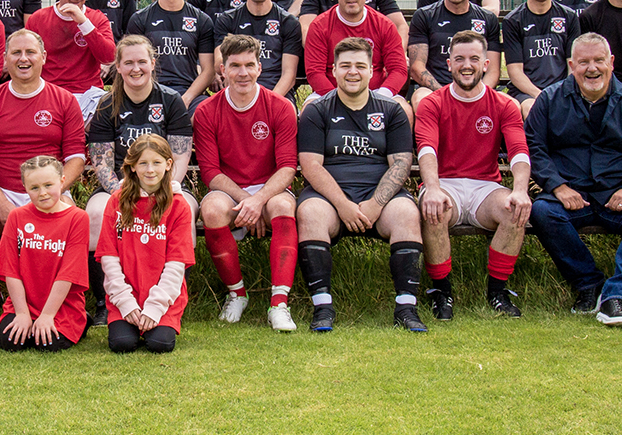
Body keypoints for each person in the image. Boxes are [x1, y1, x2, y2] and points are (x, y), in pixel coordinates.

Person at [525, 33, 622, 328]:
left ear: (611, 62)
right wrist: (558, 187)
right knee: (543, 211)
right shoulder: (549, 100)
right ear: (571, 64)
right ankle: (589, 285)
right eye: (583, 62)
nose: (592, 68)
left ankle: (618, 297)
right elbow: (535, 148)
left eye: (599, 60)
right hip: (571, 194)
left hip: (618, 196)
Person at [295, 38, 423, 333]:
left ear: (371, 71)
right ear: (334, 70)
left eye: (360, 66)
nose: (353, 72)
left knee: (406, 214)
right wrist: (343, 205)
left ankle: (406, 307)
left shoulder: (391, 110)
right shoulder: (317, 110)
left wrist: (377, 203)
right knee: (311, 213)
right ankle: (322, 307)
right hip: (331, 197)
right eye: (346, 66)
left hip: (378, 194)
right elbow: (311, 165)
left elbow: (401, 163)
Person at [0, 30, 87, 323]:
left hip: (50, 191)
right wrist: (3, 204)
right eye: (16, 53)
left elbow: (76, 159)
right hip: (0, 191)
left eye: (30, 52)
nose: (23, 59)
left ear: (43, 57)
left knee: (77, 222)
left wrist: (50, 194)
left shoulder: (65, 100)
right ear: (5, 60)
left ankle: (67, 301)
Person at [414, 32, 531, 321]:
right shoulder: (432, 102)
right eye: (460, 59)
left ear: (487, 64)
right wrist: (432, 188)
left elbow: (518, 151)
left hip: (485, 187)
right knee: (435, 209)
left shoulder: (504, 104)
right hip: (445, 183)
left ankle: (498, 292)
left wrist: (520, 190)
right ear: (449, 64)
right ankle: (441, 292)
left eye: (474, 59)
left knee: (515, 210)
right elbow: (426, 149)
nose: (467, 65)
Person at [85, 35, 195, 326]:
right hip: (120, 186)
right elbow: (101, 161)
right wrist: (124, 191)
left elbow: (180, 155)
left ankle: (172, 303)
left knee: (187, 211)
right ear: (118, 67)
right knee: (96, 215)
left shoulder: (171, 101)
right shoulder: (107, 104)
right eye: (128, 62)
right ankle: (104, 302)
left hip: (165, 184)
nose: (136, 68)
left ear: (152, 63)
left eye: (142, 62)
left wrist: (163, 188)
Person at [194, 34, 300, 331]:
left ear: (259, 68)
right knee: (213, 209)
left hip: (270, 188)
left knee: (281, 205)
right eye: (235, 66)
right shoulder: (205, 111)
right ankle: (237, 295)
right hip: (230, 191)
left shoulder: (280, 107)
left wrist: (258, 200)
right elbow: (211, 172)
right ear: (222, 70)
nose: (243, 73)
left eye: (249, 65)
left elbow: (288, 167)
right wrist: (245, 201)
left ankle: (279, 304)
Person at [98, 135, 195, 354]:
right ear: (132, 167)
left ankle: (159, 320)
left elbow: (176, 264)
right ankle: (126, 317)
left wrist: (154, 307)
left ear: (168, 164)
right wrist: (125, 302)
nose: (150, 170)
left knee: (160, 344)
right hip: (126, 293)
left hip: (164, 298)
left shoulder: (179, 205)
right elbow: (109, 258)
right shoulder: (117, 200)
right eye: (142, 163)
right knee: (122, 343)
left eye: (156, 163)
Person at [0, 155, 91, 353]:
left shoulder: (77, 218)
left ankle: (81, 318)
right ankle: (27, 318)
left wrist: (47, 315)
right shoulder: (16, 216)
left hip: (61, 305)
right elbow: (10, 270)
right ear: (25, 187)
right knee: (11, 342)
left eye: (48, 185)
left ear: (62, 181)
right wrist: (21, 313)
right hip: (24, 302)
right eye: (34, 188)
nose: (43, 193)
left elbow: (68, 274)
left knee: (47, 344)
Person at [24, 0, 117, 120]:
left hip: (88, 94)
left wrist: (83, 23)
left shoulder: (96, 19)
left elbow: (109, 57)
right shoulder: (38, 19)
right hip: (50, 94)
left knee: (103, 119)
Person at [124, 0, 215, 110]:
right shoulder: (140, 19)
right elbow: (134, 64)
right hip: (150, 91)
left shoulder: (202, 20)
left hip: (189, 92)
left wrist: (186, 99)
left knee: (204, 115)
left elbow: (208, 70)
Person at [302, 0, 407, 101]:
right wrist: (337, 99)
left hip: (376, 94)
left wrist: (380, 97)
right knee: (308, 110)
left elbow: (399, 69)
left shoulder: (384, 25)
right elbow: (314, 73)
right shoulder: (319, 26)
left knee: (404, 109)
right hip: (329, 95)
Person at [407, 0, 501, 104]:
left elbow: (493, 71)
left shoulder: (488, 19)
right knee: (421, 99)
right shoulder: (425, 16)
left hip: (477, 90)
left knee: (512, 105)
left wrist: (477, 94)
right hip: (436, 91)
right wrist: (447, 95)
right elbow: (417, 67)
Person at [502, 0, 581, 116]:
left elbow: (572, 66)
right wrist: (541, 96)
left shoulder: (569, 17)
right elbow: (515, 72)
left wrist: (562, 93)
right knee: (532, 108)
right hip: (527, 92)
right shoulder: (513, 20)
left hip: (561, 89)